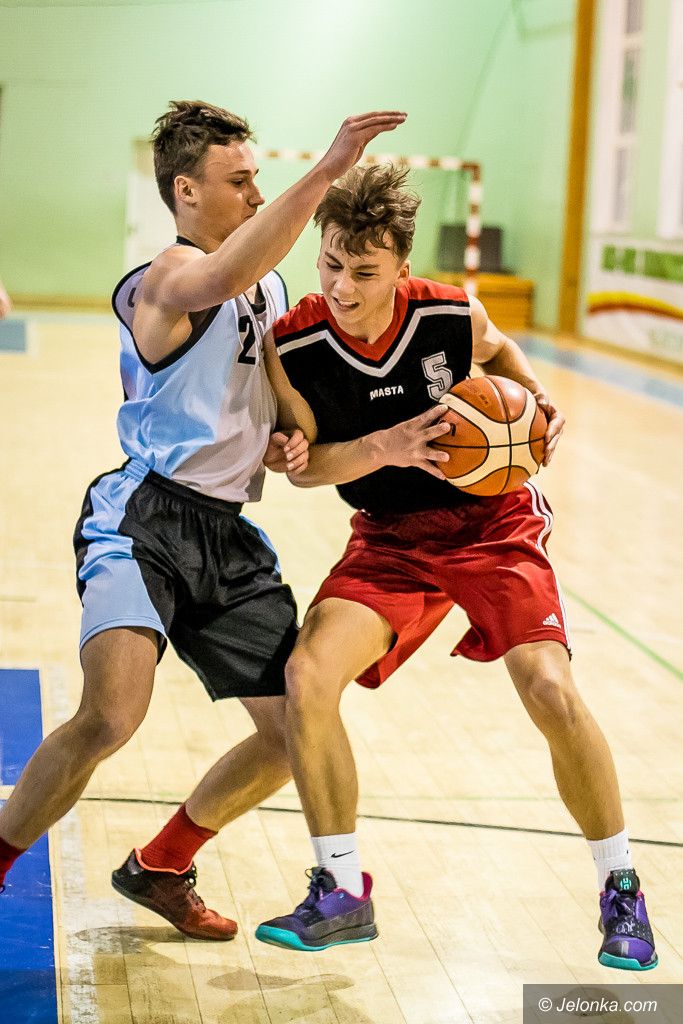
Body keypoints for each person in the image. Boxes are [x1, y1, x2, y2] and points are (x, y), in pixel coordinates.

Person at [0, 102, 407, 941]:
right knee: (111, 715)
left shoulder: (270, 287)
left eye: (259, 179)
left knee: (293, 731)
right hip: (144, 520)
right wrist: (327, 169)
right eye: (240, 180)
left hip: (228, 533)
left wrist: (295, 439)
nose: (256, 194)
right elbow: (216, 280)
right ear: (186, 191)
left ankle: (161, 864)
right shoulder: (167, 276)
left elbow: (277, 398)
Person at [254, 164, 658, 971]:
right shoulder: (292, 344)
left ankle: (620, 887)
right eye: (330, 264)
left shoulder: (445, 313)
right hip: (389, 537)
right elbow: (305, 469)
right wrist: (382, 447)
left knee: (547, 689)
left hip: (491, 525)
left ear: (401, 268)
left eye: (363, 271)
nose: (341, 285)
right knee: (306, 676)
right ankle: (341, 891)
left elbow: (502, 351)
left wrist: (536, 401)